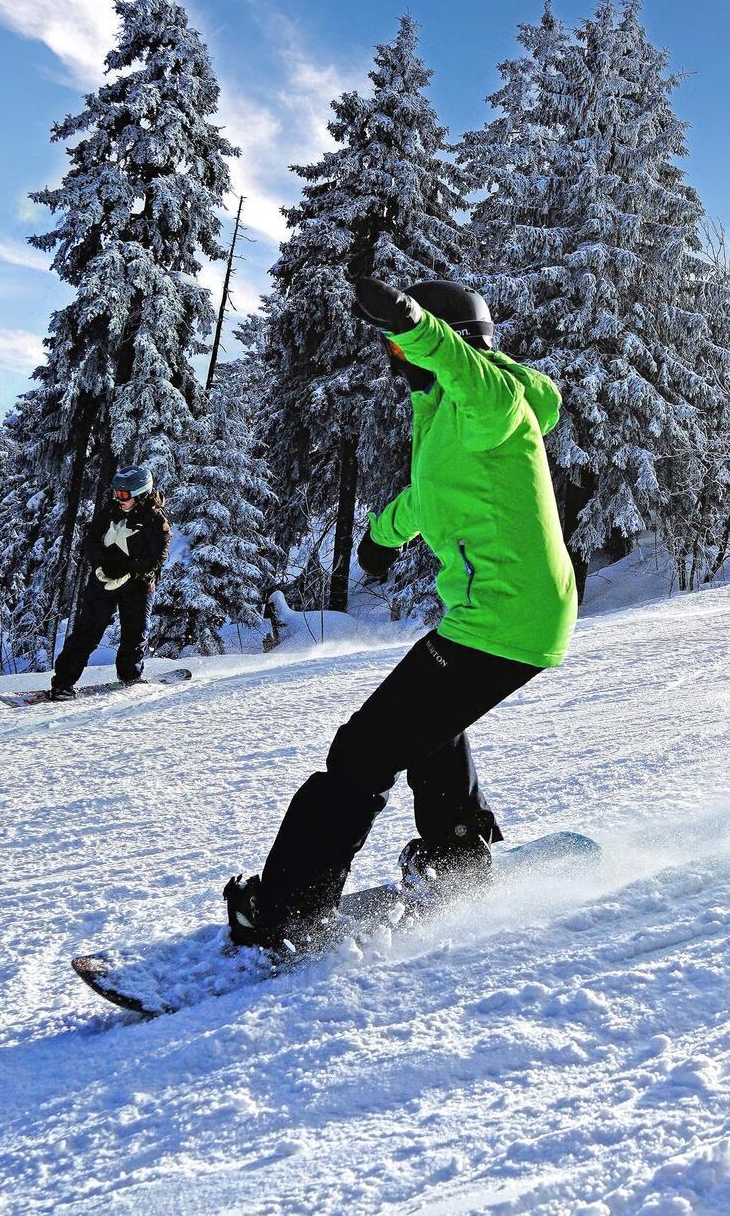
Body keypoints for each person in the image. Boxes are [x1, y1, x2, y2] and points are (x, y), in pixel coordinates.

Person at [222, 276, 578, 958]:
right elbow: (430, 494)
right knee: (426, 728)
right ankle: (457, 860)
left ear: (442, 342)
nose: (393, 358)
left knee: (361, 753)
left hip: (504, 619)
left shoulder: (489, 397)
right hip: (505, 616)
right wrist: (382, 537)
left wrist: (415, 323)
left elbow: (482, 384)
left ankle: (286, 914)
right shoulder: (444, 411)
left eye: (398, 346)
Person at [47, 464, 169, 701]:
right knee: (86, 632)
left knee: (134, 634)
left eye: (124, 495)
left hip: (138, 584)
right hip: (103, 581)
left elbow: (156, 557)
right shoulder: (109, 512)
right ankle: (62, 683)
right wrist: (100, 567)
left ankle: (129, 677)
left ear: (141, 493)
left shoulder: (156, 522)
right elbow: (92, 541)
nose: (119, 499)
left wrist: (129, 573)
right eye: (116, 493)